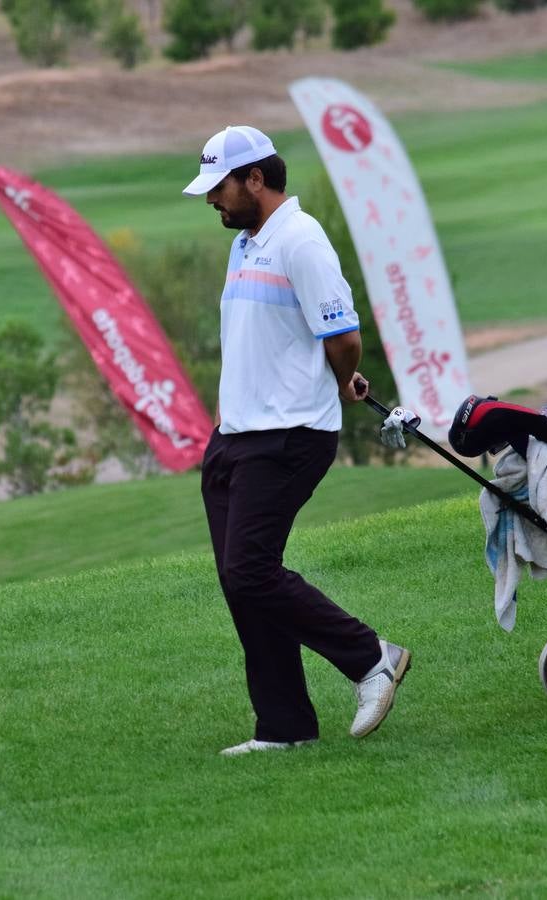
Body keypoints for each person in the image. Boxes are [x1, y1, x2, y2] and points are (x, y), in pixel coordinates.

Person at [183, 125, 410, 757]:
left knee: (252, 570)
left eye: (219, 188)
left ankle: (373, 658)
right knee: (240, 579)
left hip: (289, 436)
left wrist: (341, 379)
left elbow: (342, 336)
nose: (212, 202)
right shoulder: (247, 242)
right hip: (236, 435)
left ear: (255, 179)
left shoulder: (303, 242)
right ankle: (282, 726)